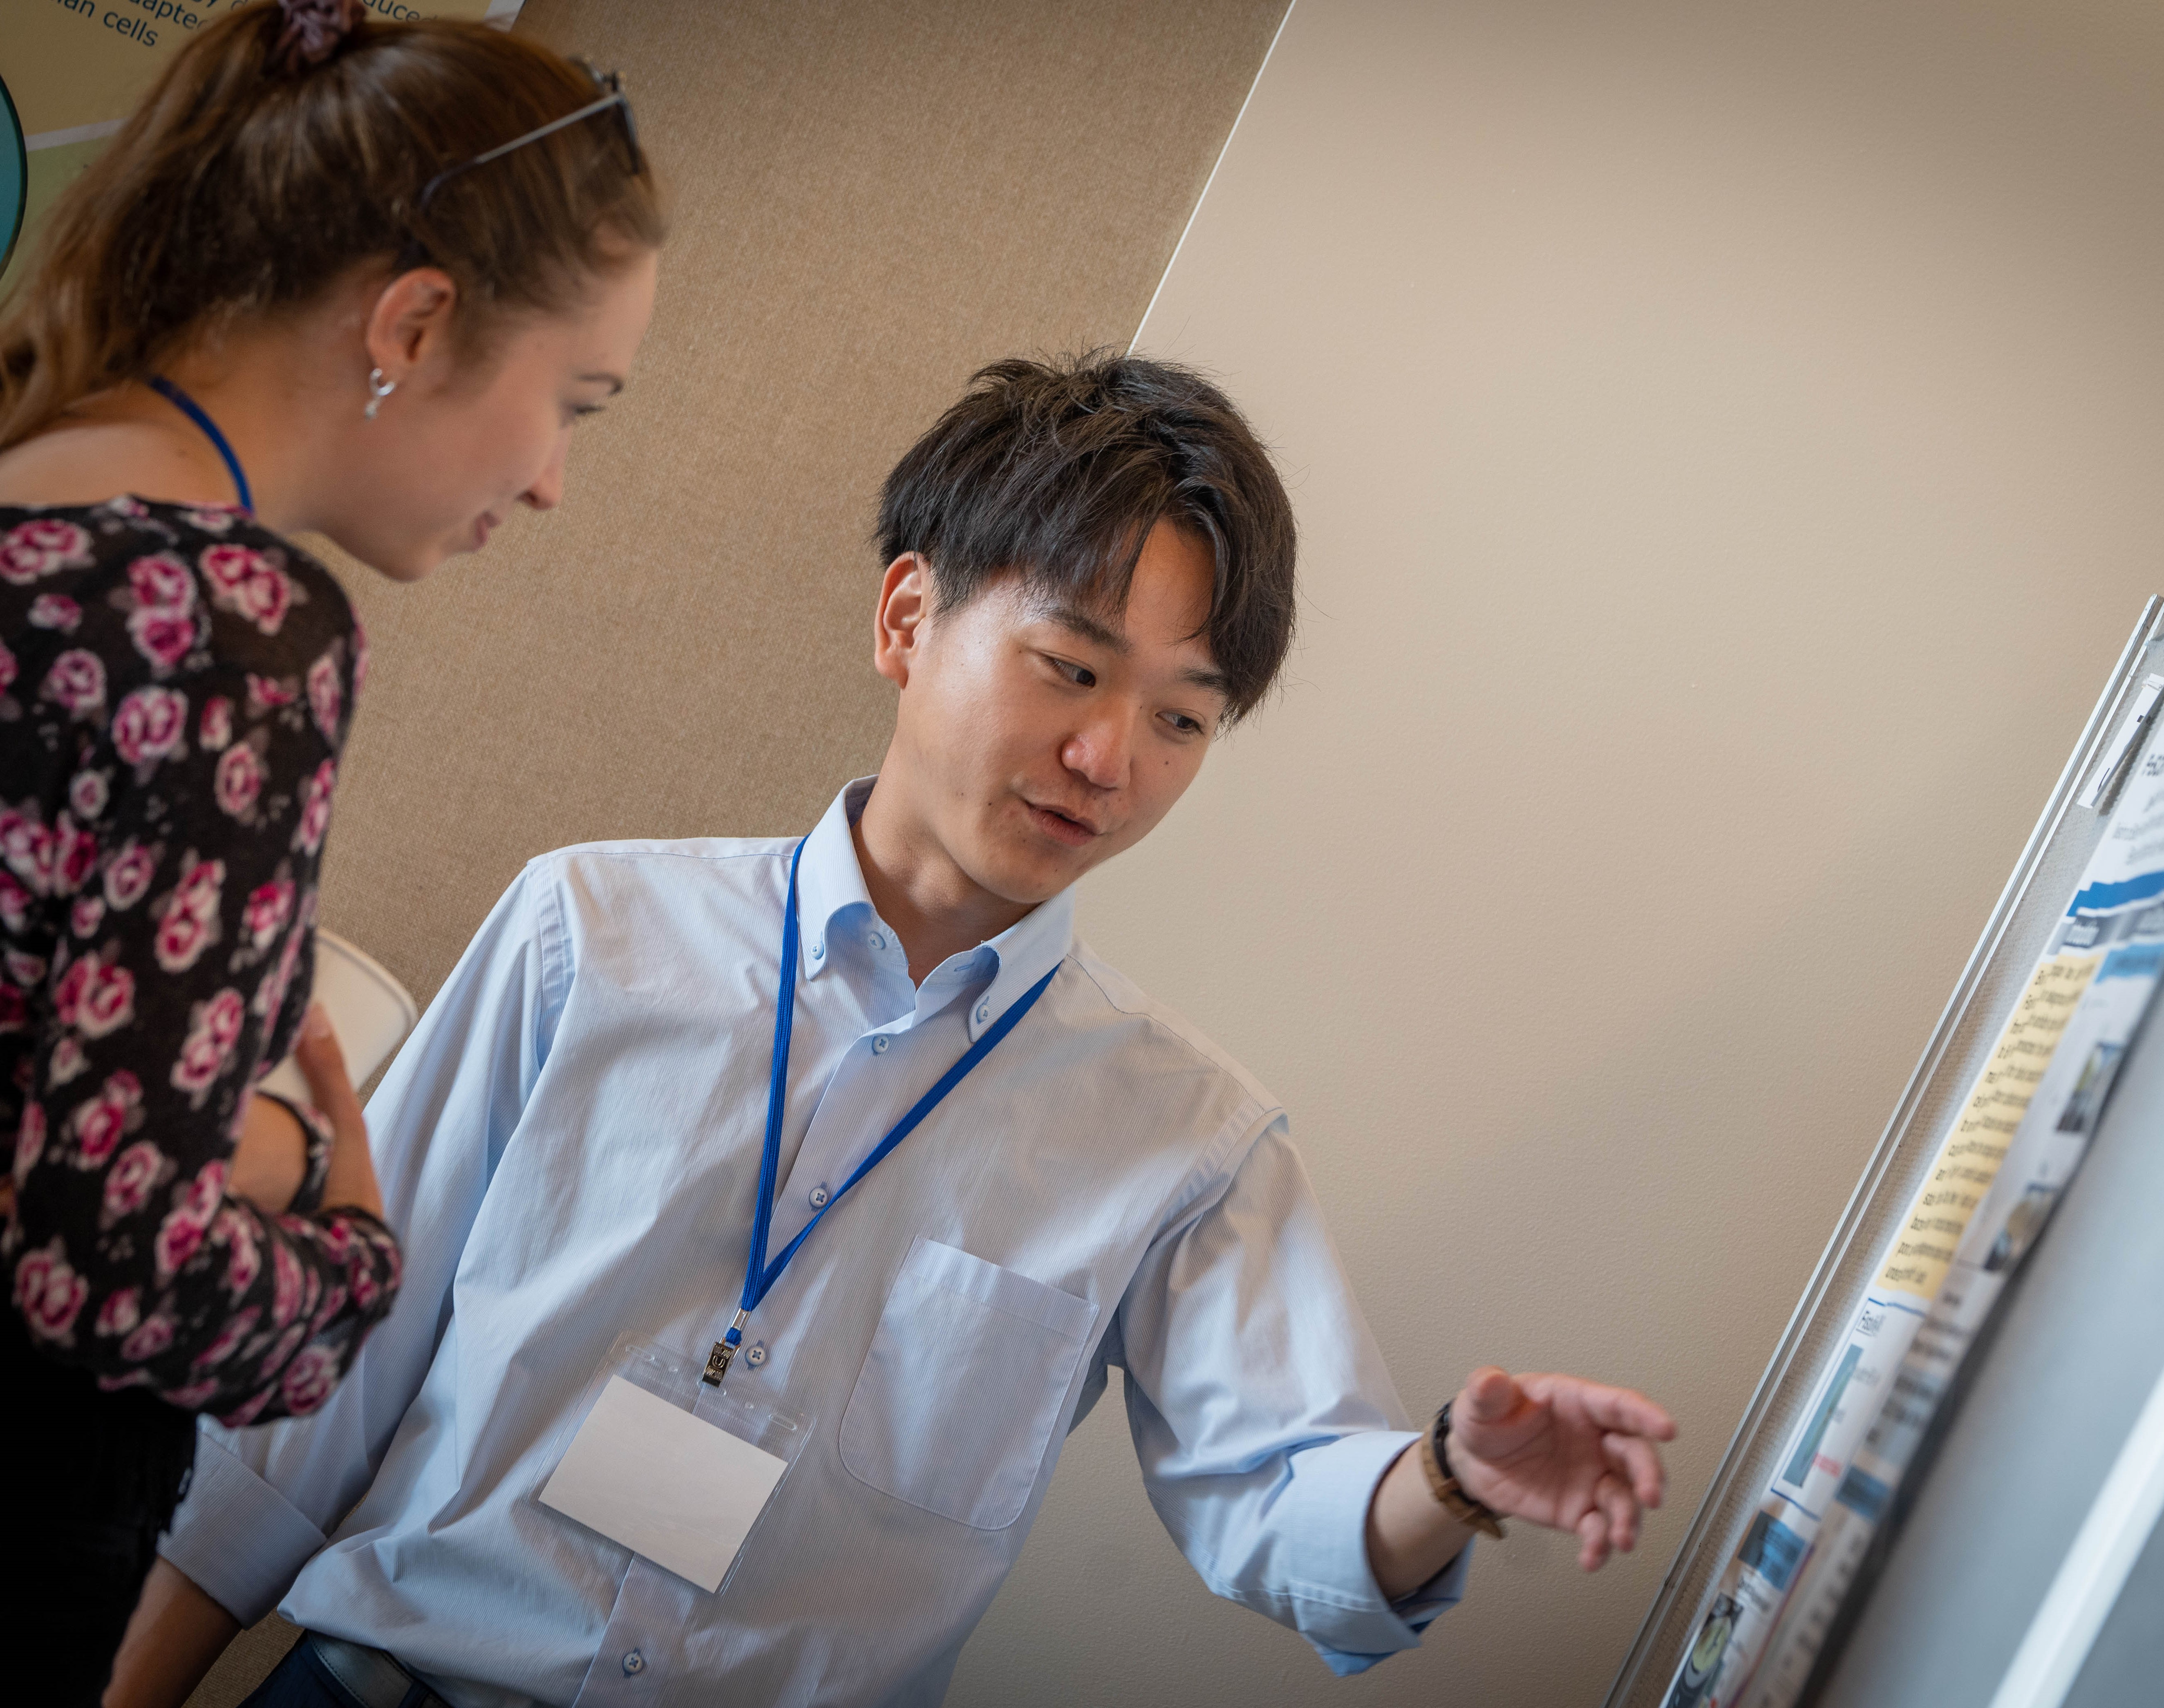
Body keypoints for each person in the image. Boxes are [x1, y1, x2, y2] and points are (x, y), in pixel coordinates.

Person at [120, 353, 1676, 1708]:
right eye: (1071, 666)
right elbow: (299, 1413)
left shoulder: (1184, 1137)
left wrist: (1449, 1478)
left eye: (1179, 718)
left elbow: (1287, 1494)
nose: (1107, 756)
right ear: (907, 615)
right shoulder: (587, 930)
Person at [0, 1, 662, 1697]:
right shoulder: (231, 627)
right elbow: (107, 1259)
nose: (553, 481)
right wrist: (337, 1246)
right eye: (573, 401)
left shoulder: (27, 492)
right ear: (416, 322)